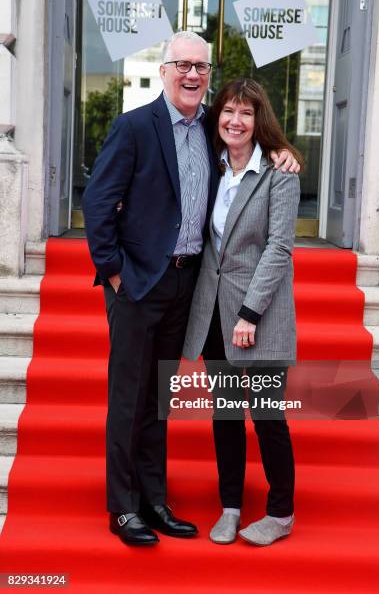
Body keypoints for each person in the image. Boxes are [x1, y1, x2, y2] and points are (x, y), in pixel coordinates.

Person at [82, 31, 300, 546]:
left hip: (189, 285)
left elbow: (252, 139)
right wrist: (115, 272)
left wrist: (285, 150)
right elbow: (97, 204)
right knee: (129, 398)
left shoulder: (210, 128)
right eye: (182, 64)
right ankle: (123, 507)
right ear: (163, 70)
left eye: (201, 67)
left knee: (160, 399)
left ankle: (154, 500)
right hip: (138, 283)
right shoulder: (135, 126)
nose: (192, 74)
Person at [183, 78, 302, 546]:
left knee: (268, 415)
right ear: (219, 118)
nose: (236, 120)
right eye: (229, 111)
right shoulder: (211, 166)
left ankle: (281, 512)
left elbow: (279, 248)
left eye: (246, 113)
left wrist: (250, 314)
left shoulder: (280, 173)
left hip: (262, 314)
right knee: (227, 414)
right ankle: (230, 506)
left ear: (259, 121)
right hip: (212, 310)